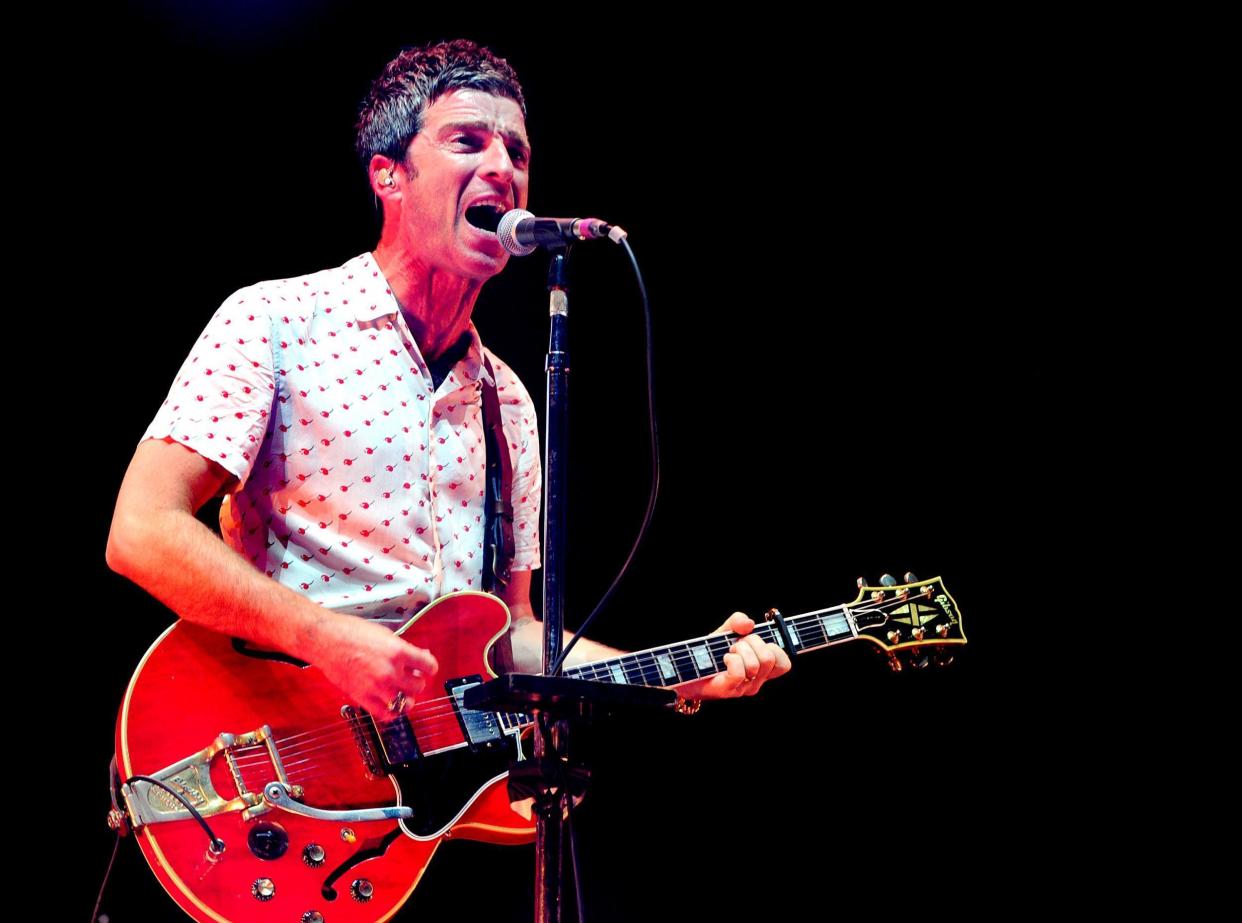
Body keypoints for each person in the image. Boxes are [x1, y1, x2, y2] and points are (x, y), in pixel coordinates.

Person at [106, 39, 790, 722]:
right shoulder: (277, 323)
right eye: (468, 142)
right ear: (388, 176)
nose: (501, 168)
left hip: (421, 797)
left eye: (518, 154)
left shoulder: (508, 403)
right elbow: (142, 527)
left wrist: (680, 675)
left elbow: (515, 638)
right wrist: (321, 635)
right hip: (269, 753)